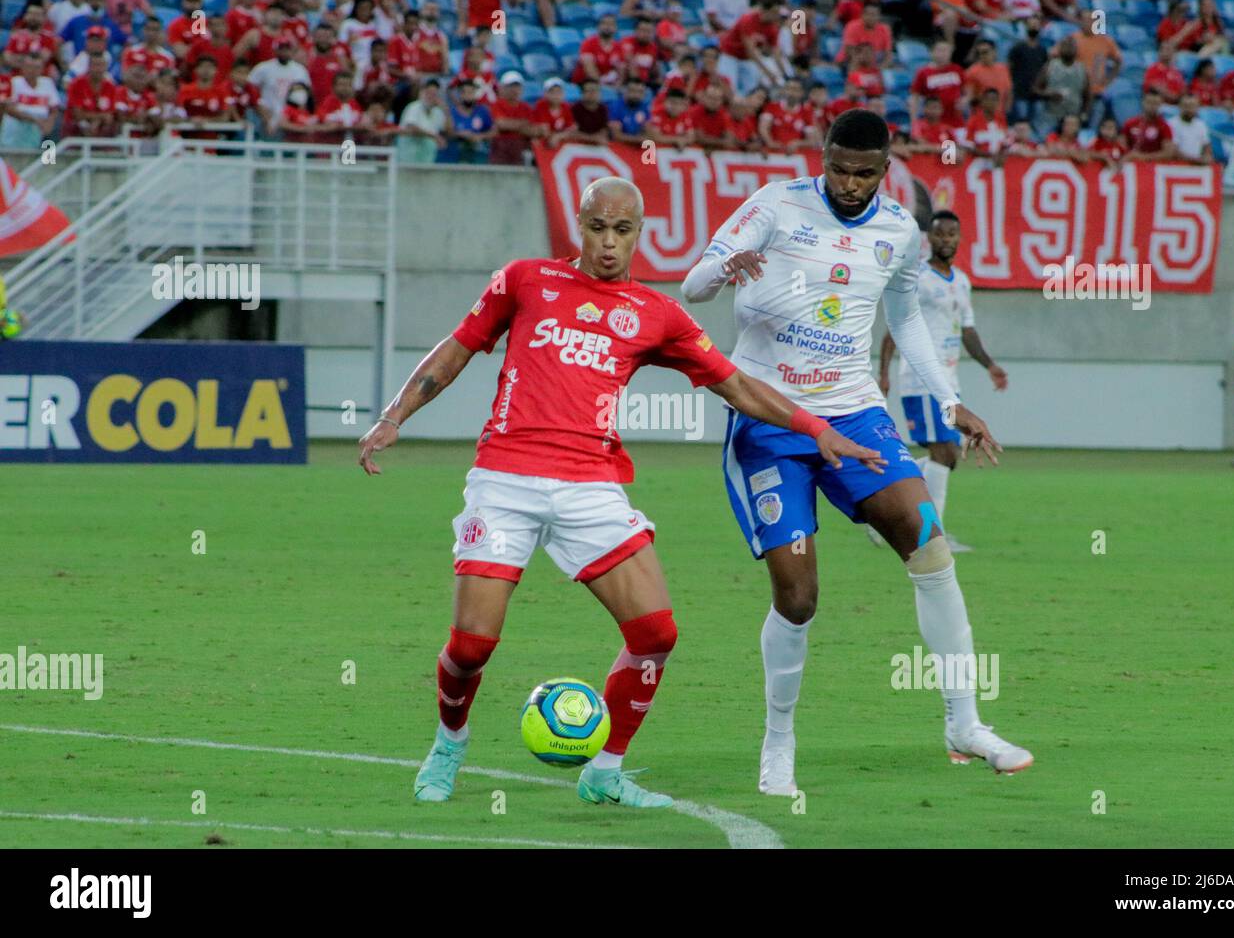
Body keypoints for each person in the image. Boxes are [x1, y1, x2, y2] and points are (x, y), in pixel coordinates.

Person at [355, 176, 880, 807]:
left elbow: (736, 385)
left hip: (592, 486)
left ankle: (605, 769)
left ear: (639, 232)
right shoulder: (524, 280)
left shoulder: (656, 315)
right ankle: (449, 742)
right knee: (471, 646)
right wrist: (393, 416)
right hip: (506, 478)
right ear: (579, 226)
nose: (608, 244)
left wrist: (818, 428)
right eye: (597, 229)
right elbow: (459, 347)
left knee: (656, 634)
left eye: (622, 231)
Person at [681, 110, 1032, 794]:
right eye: (838, 168)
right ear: (823, 156)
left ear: (886, 168)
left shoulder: (900, 230)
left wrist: (948, 399)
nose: (848, 182)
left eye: (863, 172)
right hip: (769, 415)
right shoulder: (774, 206)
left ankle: (964, 721)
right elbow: (692, 285)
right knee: (800, 596)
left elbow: (904, 315)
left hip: (856, 411)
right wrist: (726, 267)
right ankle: (778, 742)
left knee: (926, 539)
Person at [877, 210, 1007, 553]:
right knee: (944, 452)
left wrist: (989, 365)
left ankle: (886, 507)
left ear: (960, 238)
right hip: (920, 379)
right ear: (928, 239)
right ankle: (933, 536)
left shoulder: (961, 281)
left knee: (946, 460)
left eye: (952, 234)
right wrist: (884, 372)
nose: (946, 239)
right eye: (939, 234)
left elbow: (967, 331)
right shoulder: (916, 276)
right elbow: (895, 325)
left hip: (949, 383)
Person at [1169, 93, 1211, 164]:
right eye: (1186, 106)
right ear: (1179, 106)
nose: (1189, 109)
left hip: (1196, 166)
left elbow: (1206, 147)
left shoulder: (1201, 125)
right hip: (1177, 165)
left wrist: (1207, 157)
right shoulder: (1171, 124)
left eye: (1192, 106)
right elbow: (1173, 150)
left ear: (1197, 108)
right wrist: (1195, 160)